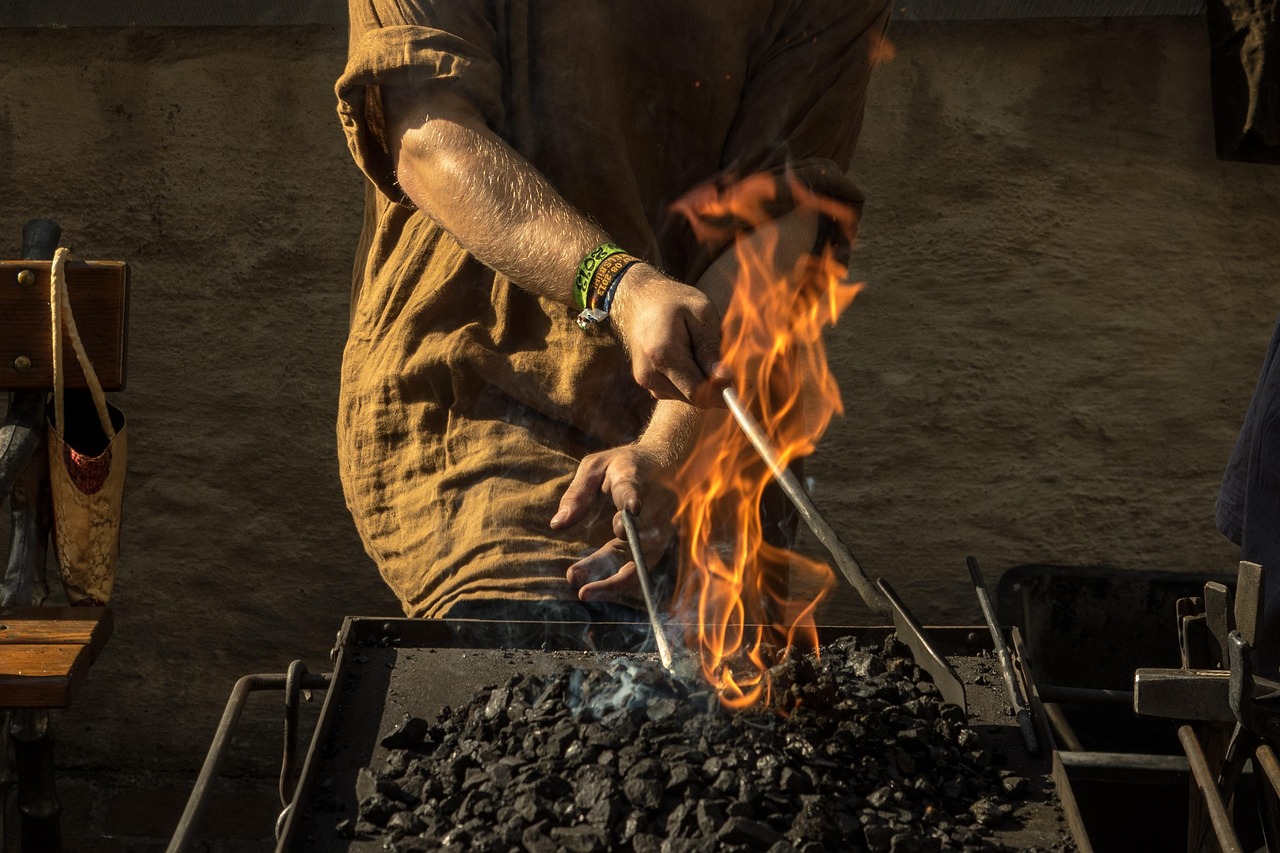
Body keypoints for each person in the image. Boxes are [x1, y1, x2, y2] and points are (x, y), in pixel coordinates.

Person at [333, 1, 892, 634]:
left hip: (711, 436)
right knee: (527, 685)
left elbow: (783, 213)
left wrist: (669, 450)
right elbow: (429, 136)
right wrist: (620, 286)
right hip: (490, 403)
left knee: (735, 719)